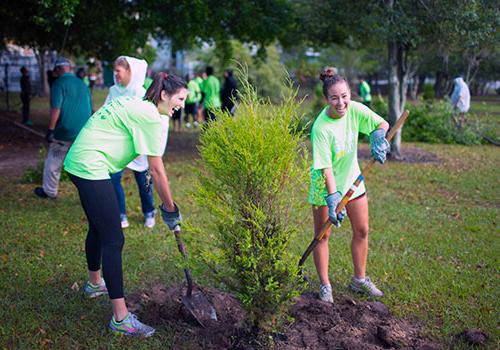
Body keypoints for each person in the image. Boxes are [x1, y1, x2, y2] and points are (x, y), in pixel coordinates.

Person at [63, 72, 187, 337]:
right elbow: (156, 171)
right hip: (90, 165)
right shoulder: (152, 117)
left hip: (80, 161)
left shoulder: (137, 103)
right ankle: (120, 318)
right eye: (180, 98)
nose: (183, 105)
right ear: (164, 95)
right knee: (113, 239)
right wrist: (170, 208)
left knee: (99, 228)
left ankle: (95, 284)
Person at [309, 68, 390, 303]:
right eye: (334, 98)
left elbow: (382, 123)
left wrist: (377, 137)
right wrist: (333, 197)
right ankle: (325, 285)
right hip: (325, 186)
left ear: (349, 94)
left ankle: (359, 280)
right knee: (323, 236)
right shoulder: (320, 128)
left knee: (362, 230)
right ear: (327, 99)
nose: (341, 102)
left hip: (353, 181)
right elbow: (325, 169)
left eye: (344, 96)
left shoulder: (355, 110)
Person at [105, 56, 158, 229]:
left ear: (129, 72)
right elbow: (106, 112)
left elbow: (145, 120)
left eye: (118, 70)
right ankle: (120, 214)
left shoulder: (140, 93)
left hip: (137, 144)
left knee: (143, 179)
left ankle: (149, 211)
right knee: (113, 177)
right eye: (115, 70)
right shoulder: (113, 91)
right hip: (118, 143)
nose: (116, 74)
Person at [34, 57, 92, 199]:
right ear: (70, 68)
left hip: (64, 132)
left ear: (58, 70)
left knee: (53, 162)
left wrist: (51, 130)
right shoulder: (82, 84)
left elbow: (56, 109)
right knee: (84, 164)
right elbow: (89, 107)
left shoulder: (58, 84)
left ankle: (49, 191)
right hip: (84, 131)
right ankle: (90, 192)